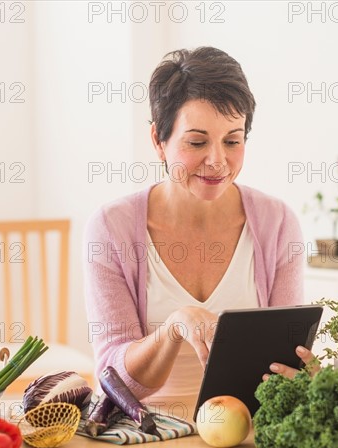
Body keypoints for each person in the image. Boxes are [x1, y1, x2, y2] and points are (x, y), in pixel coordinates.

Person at [83, 46, 315, 420]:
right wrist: (174, 326)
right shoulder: (111, 229)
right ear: (158, 140)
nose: (217, 161)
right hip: (141, 436)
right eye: (197, 142)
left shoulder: (277, 223)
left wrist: (300, 375)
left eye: (232, 140)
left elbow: (283, 359)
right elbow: (113, 377)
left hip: (243, 435)